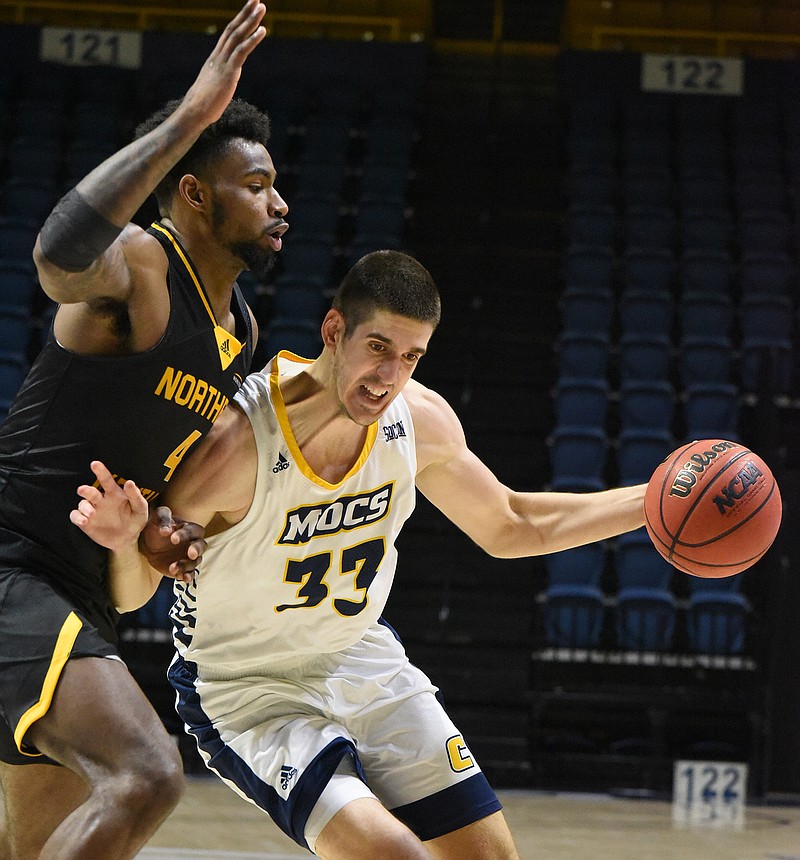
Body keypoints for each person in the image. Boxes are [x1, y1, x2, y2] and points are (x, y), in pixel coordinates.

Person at [73, 249, 648, 859]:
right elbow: (136, 590)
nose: (390, 375)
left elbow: (510, 523)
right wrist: (123, 543)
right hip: (249, 691)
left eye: (411, 356)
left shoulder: (418, 420)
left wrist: (653, 500)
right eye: (378, 347)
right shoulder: (238, 443)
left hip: (361, 658)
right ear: (333, 330)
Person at [0, 2, 288, 857]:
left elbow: (158, 480)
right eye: (258, 183)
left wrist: (166, 533)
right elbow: (58, 255)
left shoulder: (238, 328)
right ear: (195, 191)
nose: (280, 200)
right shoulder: (144, 265)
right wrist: (193, 116)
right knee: (149, 774)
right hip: (14, 573)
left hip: (84, 595)